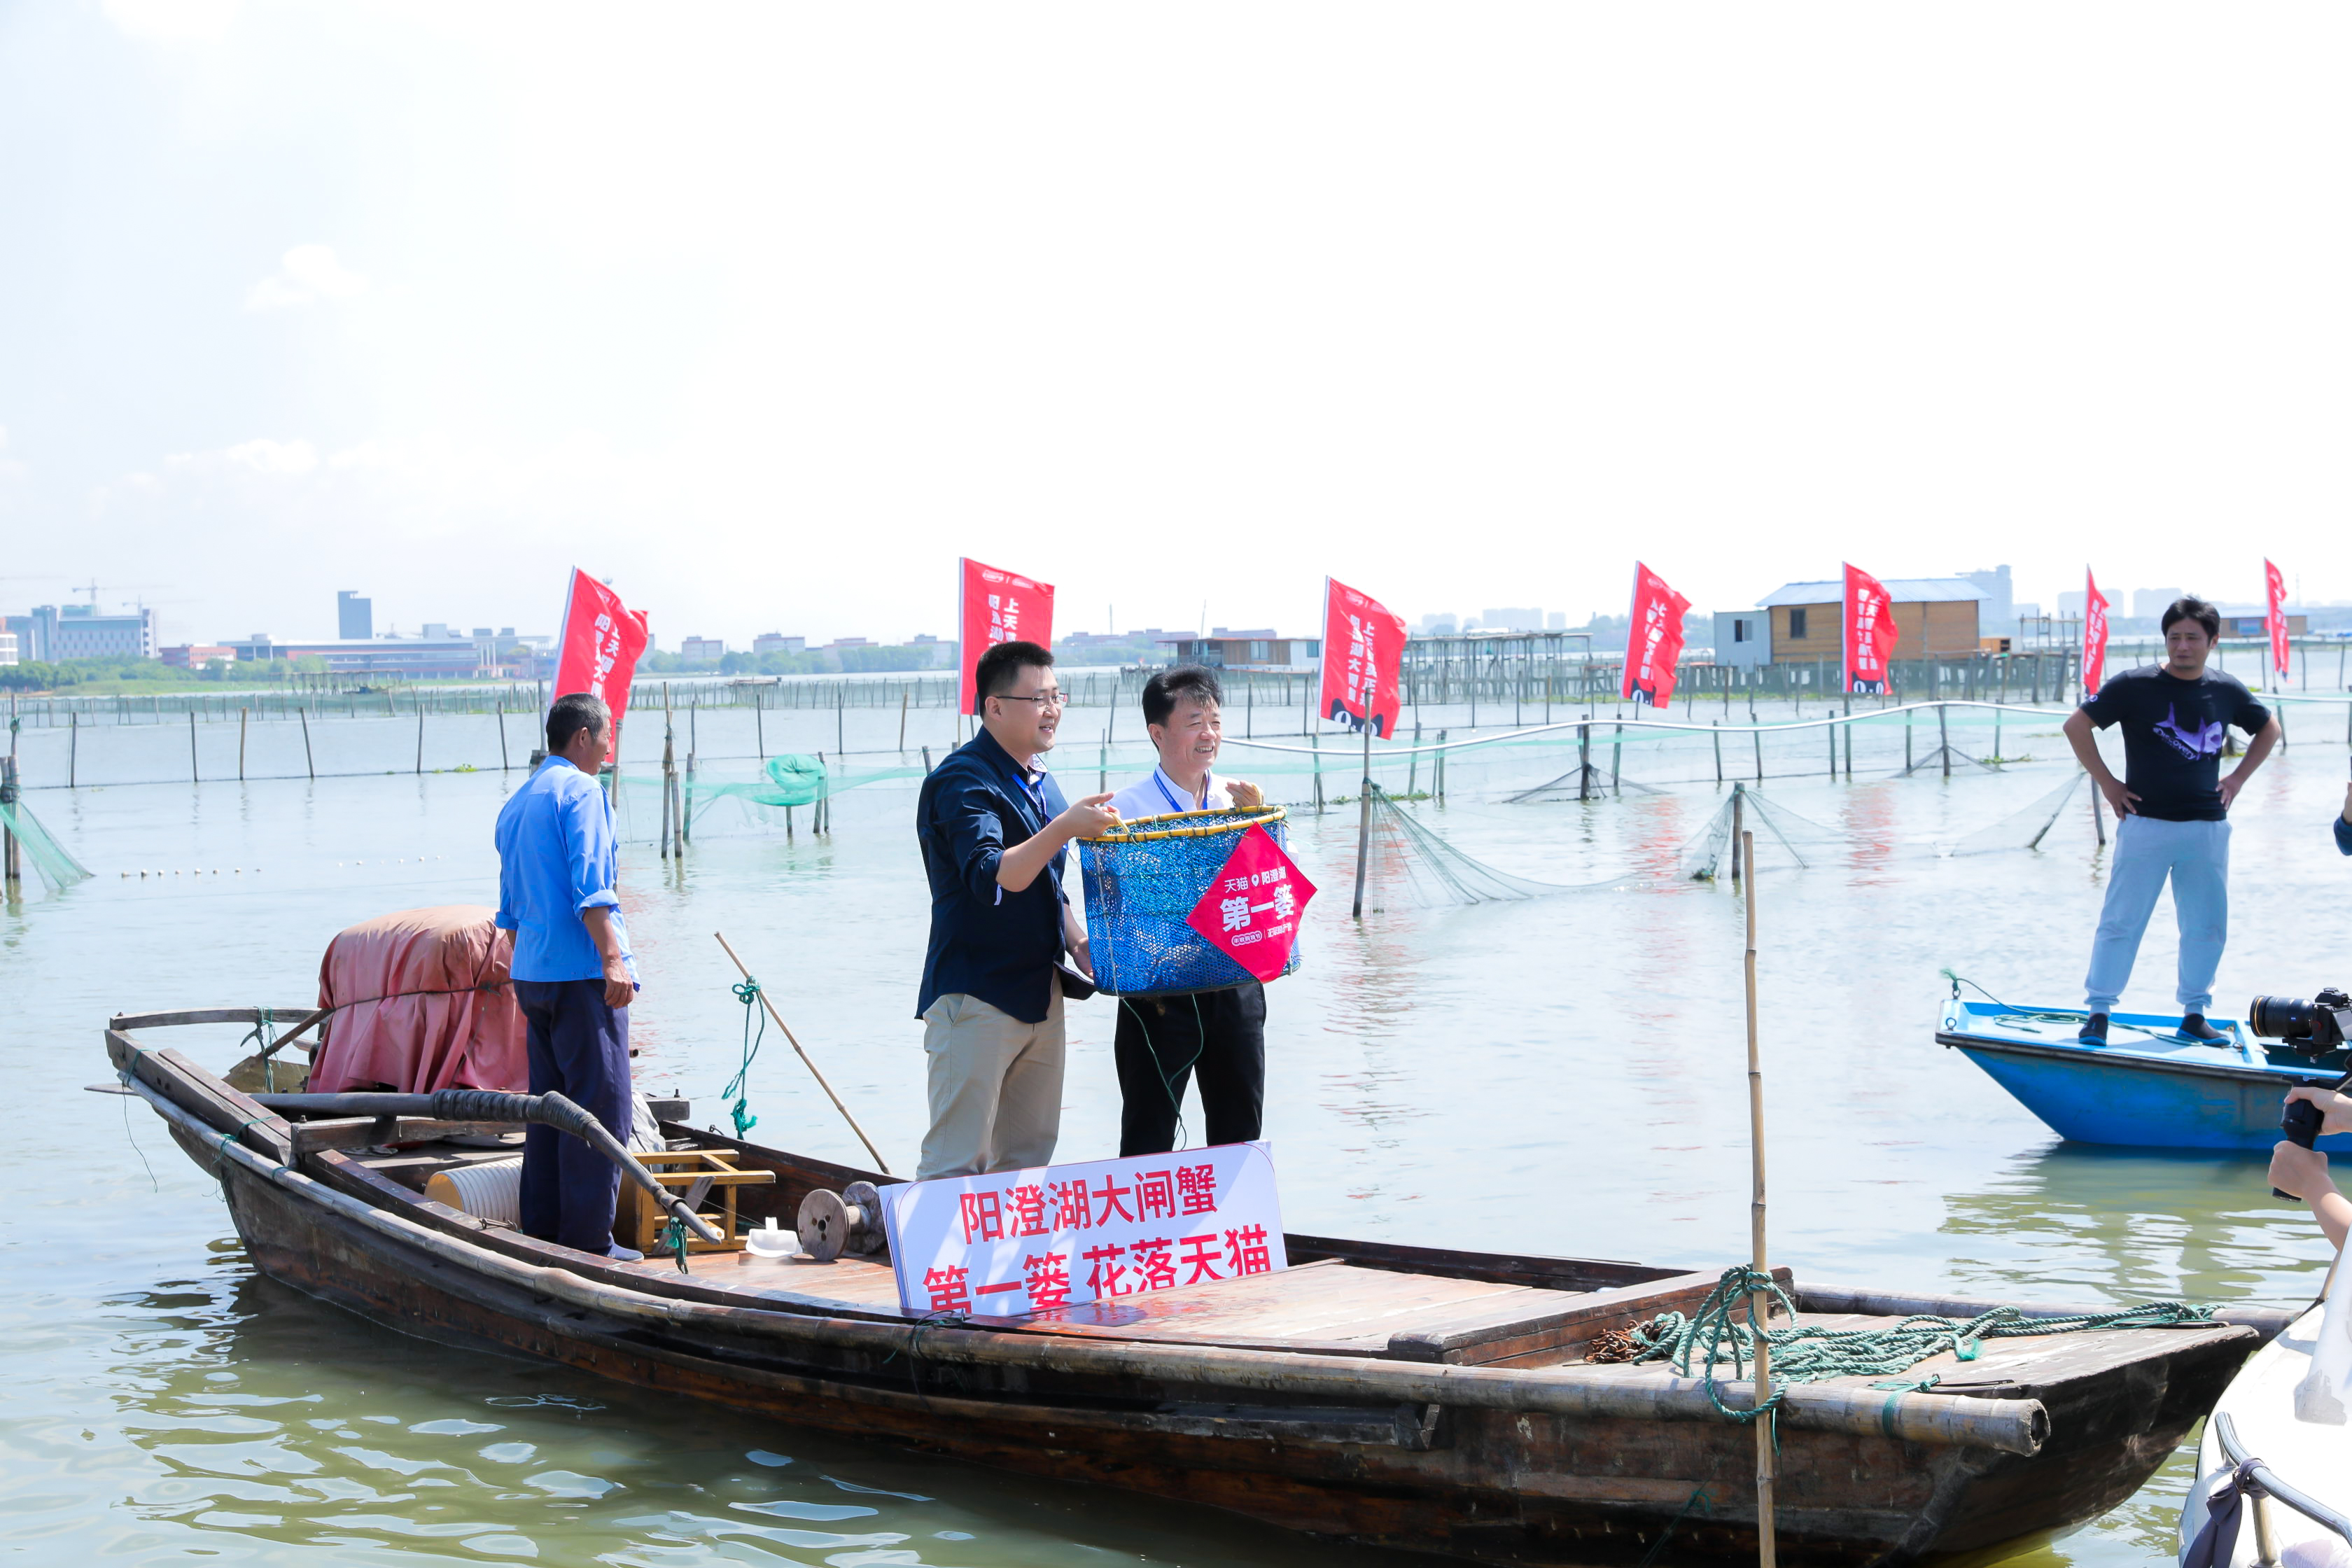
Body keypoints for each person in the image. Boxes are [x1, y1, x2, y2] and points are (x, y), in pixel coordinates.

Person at [915, 640, 1117, 1180]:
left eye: (1057, 697)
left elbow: (1050, 883)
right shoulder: (962, 781)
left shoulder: (1041, 779)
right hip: (976, 994)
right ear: (994, 707)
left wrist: (1078, 943)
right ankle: (937, 1264)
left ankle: (1010, 1267)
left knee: (1029, 1160)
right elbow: (995, 873)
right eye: (1038, 698)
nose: (1052, 710)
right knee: (956, 1161)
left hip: (1042, 992)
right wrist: (1065, 828)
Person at [2063, 596, 2278, 1044]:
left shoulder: (2225, 689)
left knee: (2206, 924)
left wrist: (2236, 779)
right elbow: (2076, 726)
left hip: (2207, 826)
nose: (2183, 646)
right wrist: (2109, 783)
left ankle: (2195, 1013)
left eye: (2193, 638)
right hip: (2146, 823)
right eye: (2175, 637)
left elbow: (2269, 729)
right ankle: (2099, 1012)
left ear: (2212, 642)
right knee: (2121, 920)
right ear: (2166, 640)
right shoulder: (2133, 684)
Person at [493, 692, 642, 1260]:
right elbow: (592, 885)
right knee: (600, 1109)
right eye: (606, 738)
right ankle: (587, 1243)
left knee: (549, 1109)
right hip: (581, 974)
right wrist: (612, 959)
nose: (609, 750)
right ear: (583, 736)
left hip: (533, 975)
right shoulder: (582, 792)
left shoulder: (518, 801)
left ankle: (544, 1232)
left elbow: (507, 910)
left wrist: (531, 963)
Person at [1105, 666, 1270, 1157]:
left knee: (1240, 1130)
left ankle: (1233, 1230)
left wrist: (1256, 824)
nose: (1210, 735)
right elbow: (1116, 901)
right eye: (1195, 721)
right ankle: (1144, 1233)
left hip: (1234, 986)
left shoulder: (1238, 798)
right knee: (1147, 1135)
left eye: (1216, 721)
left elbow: (1270, 889)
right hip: (1157, 993)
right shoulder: (1125, 809)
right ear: (1158, 733)